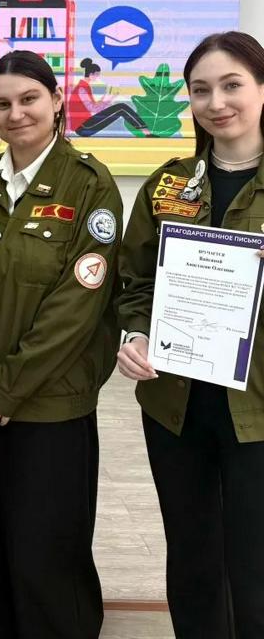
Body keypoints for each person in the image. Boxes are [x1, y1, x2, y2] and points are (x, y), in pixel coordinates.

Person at [0, 50, 123, 639]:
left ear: (55, 101)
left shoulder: (90, 186)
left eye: (29, 99)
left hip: (48, 406)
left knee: (47, 553)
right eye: (2, 104)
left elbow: (77, 306)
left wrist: (7, 390)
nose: (16, 113)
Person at [117, 31, 264, 639]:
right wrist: (134, 335)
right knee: (193, 554)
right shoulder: (169, 183)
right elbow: (133, 281)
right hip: (176, 404)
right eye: (200, 90)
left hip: (257, 409)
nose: (216, 102)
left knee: (255, 563)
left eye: (232, 85)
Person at [68, 56, 149, 136]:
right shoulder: (82, 89)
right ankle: (146, 132)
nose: (97, 77)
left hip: (85, 125)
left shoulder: (83, 87)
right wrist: (108, 99)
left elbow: (93, 107)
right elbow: (94, 109)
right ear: (91, 74)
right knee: (121, 107)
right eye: (97, 75)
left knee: (121, 107)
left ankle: (146, 131)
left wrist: (106, 99)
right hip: (83, 128)